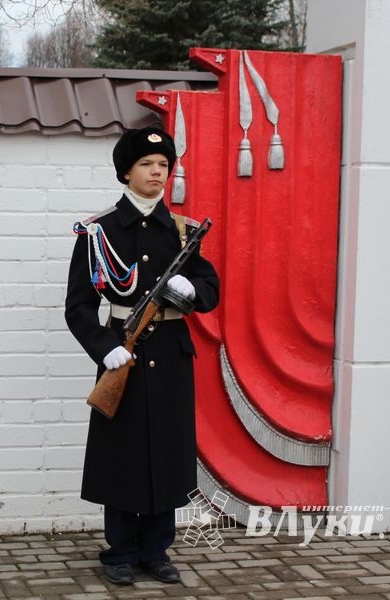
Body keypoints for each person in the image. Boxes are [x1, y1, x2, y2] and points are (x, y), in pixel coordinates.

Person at [64, 126, 220, 586]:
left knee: (167, 453)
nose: (158, 172)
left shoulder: (183, 231)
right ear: (126, 172)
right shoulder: (99, 232)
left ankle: (157, 550)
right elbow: (77, 307)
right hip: (122, 356)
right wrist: (105, 345)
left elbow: (210, 290)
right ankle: (120, 550)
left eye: (164, 166)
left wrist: (193, 289)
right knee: (122, 454)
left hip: (171, 356)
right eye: (148, 165)